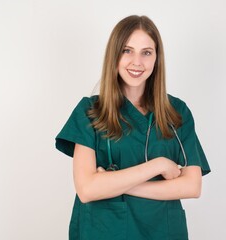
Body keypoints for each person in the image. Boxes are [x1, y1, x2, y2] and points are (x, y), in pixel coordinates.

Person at [55, 15, 211, 240]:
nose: (137, 62)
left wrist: (114, 182)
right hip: (104, 231)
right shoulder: (90, 111)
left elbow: (192, 186)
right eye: (127, 50)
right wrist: (158, 165)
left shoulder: (176, 112)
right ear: (114, 55)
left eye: (146, 52)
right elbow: (87, 189)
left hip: (162, 231)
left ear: (157, 58)